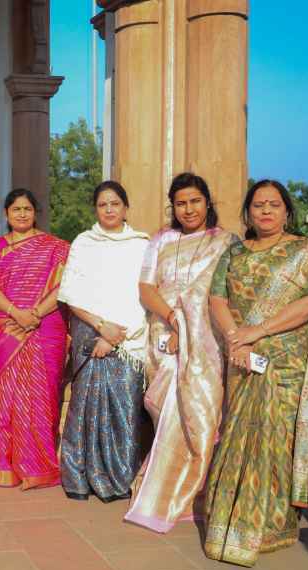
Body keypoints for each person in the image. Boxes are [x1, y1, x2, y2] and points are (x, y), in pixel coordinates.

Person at [203, 180, 308, 567]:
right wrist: (236, 338)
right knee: (239, 432)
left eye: (274, 205)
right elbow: (217, 298)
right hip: (242, 357)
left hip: (286, 362)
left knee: (278, 438)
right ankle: (229, 524)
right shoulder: (233, 253)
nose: (266, 211)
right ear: (248, 212)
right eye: (258, 205)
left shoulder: (307, 252)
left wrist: (258, 332)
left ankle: (273, 525)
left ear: (286, 211)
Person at [124, 172, 235, 532]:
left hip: (205, 341)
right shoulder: (162, 240)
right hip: (164, 334)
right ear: (173, 207)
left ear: (207, 203)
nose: (188, 209)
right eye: (181, 203)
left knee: (200, 413)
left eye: (195, 201)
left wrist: (189, 329)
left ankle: (192, 493)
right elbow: (145, 288)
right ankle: (166, 484)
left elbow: (224, 293)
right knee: (163, 406)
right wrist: (173, 320)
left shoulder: (225, 242)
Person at [58, 181, 149, 502]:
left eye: (115, 204)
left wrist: (115, 336)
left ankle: (119, 480)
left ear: (126, 207)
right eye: (102, 204)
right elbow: (70, 293)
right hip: (89, 335)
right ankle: (78, 479)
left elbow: (145, 295)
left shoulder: (142, 245)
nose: (109, 210)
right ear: (96, 209)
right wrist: (100, 326)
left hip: (129, 341)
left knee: (123, 413)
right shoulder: (84, 242)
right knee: (82, 410)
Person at [0, 189, 70, 489]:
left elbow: (62, 287)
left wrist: (35, 313)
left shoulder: (56, 247)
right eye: (16, 209)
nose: (21, 214)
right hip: (6, 329)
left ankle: (37, 467)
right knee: (5, 398)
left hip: (43, 328)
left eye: (27, 209)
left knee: (39, 398)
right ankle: (4, 467)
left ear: (36, 212)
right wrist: (16, 313)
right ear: (6, 213)